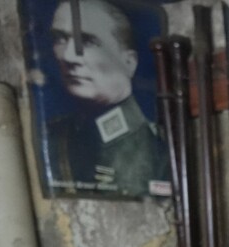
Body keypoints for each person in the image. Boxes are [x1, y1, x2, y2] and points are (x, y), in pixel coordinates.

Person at [45, 0, 168, 196]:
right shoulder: (53, 136)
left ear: (129, 62)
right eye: (60, 39)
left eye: (87, 41)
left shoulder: (159, 150)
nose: (69, 56)